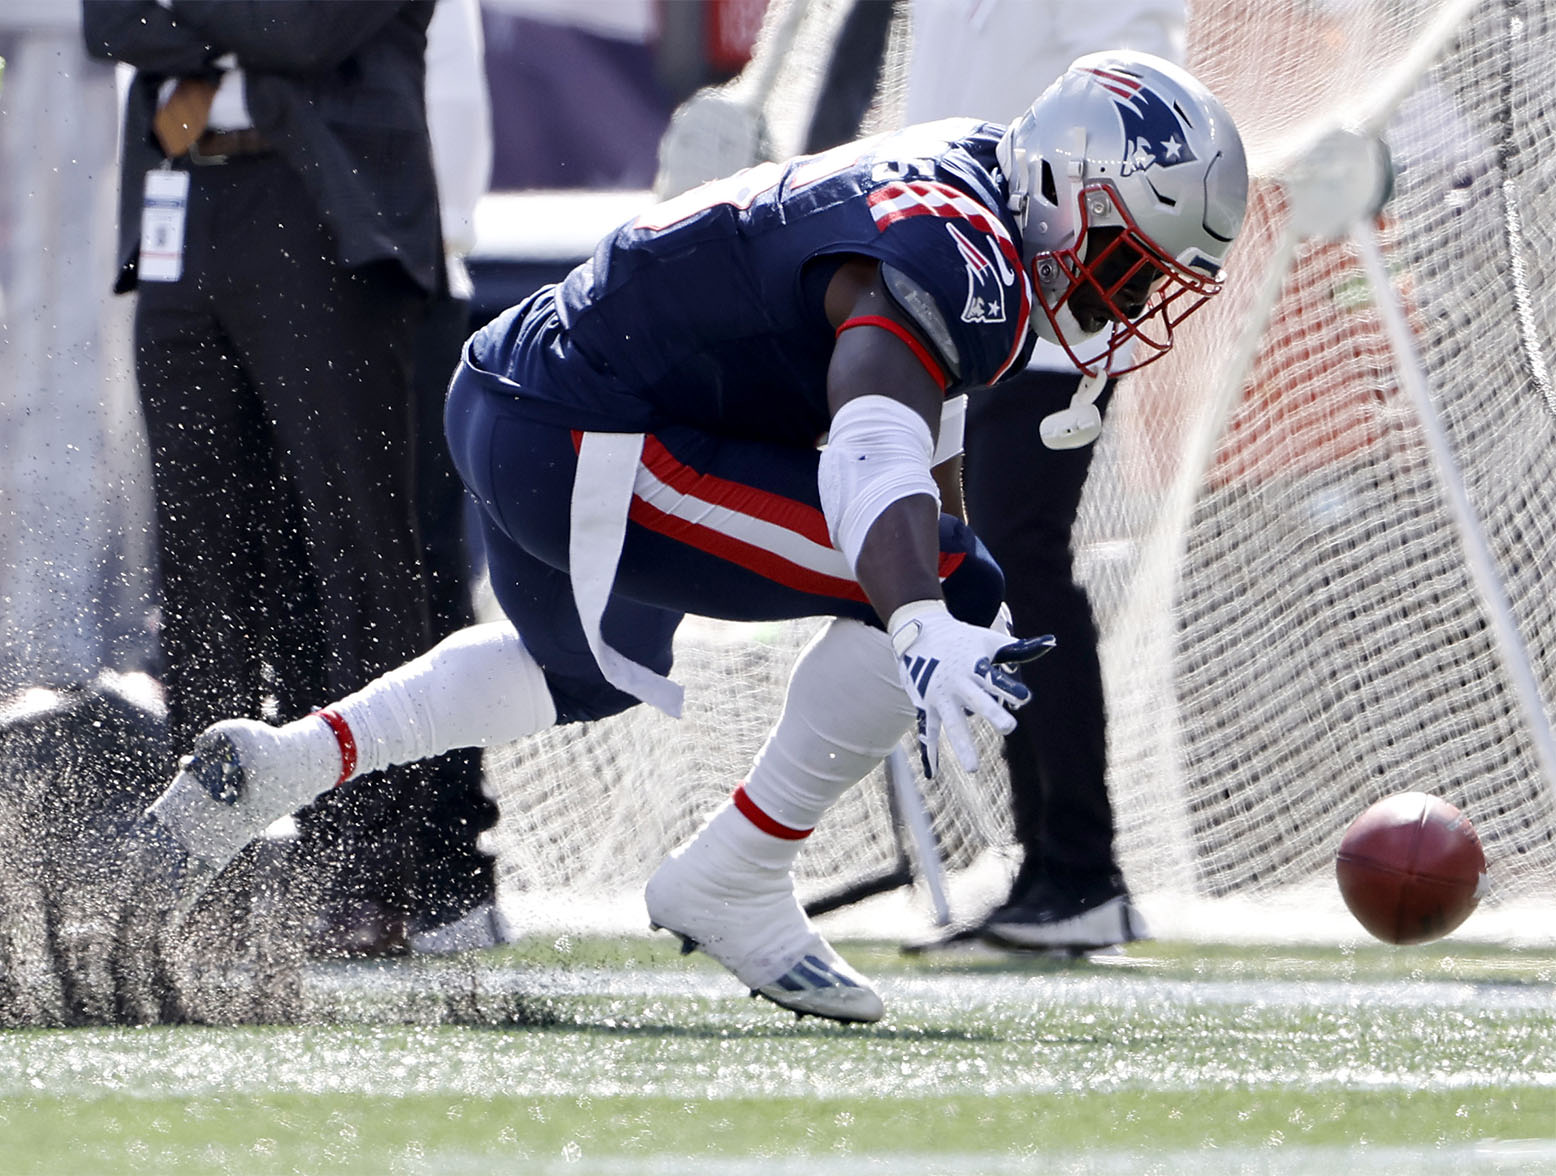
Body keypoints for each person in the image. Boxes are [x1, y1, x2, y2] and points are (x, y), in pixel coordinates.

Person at [136, 51, 1248, 1024]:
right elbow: (870, 433)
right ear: (1065, 192)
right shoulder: (963, 250)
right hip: (588, 436)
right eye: (1129, 255)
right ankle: (738, 871)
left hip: (530, 396)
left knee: (581, 676)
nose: (1132, 292)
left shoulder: (972, 177)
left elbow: (922, 410)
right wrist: (918, 615)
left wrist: (928, 573)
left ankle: (292, 762)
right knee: (956, 587)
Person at [81, 2, 445, 956]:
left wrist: (203, 18)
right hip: (182, 201)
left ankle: (367, 875)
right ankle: (210, 869)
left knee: (352, 552)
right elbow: (110, 21)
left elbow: (303, 29)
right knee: (199, 564)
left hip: (325, 208)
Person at [900, 0, 1190, 953]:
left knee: (1020, 559)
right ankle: (1051, 868)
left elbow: (1142, 97)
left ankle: (1080, 868)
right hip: (956, 292)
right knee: (986, 566)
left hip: (1059, 299)